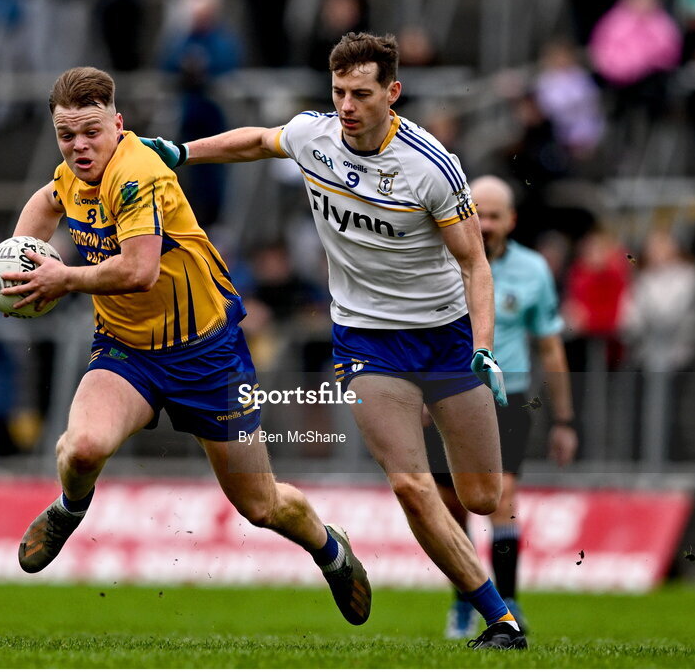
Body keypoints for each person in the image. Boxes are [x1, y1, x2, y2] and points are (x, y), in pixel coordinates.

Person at [143, 33, 527, 650]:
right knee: (408, 483)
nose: (347, 106)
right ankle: (499, 619)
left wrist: (484, 346)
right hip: (366, 340)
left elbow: (475, 264)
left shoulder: (431, 167)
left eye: (361, 94)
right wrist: (180, 153)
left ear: (392, 93)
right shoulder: (313, 136)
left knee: (482, 497)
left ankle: (481, 581)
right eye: (339, 92)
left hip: (445, 339)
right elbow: (258, 141)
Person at [0, 67, 371, 626]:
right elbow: (47, 201)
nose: (79, 146)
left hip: (207, 355)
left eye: (91, 132)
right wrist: (17, 261)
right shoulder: (73, 172)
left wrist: (59, 277)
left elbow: (139, 271)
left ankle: (331, 551)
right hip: (126, 349)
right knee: (82, 448)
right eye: (67, 135)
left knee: (262, 506)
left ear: (118, 124)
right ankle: (70, 509)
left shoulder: (139, 174)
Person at [425, 175, 578, 639]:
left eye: (493, 215)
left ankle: (508, 599)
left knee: (501, 499)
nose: (485, 223)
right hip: (444, 398)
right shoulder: (438, 259)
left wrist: (565, 420)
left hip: (504, 399)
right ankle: (466, 600)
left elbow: (550, 348)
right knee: (451, 508)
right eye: (478, 212)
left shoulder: (533, 271)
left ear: (511, 220)